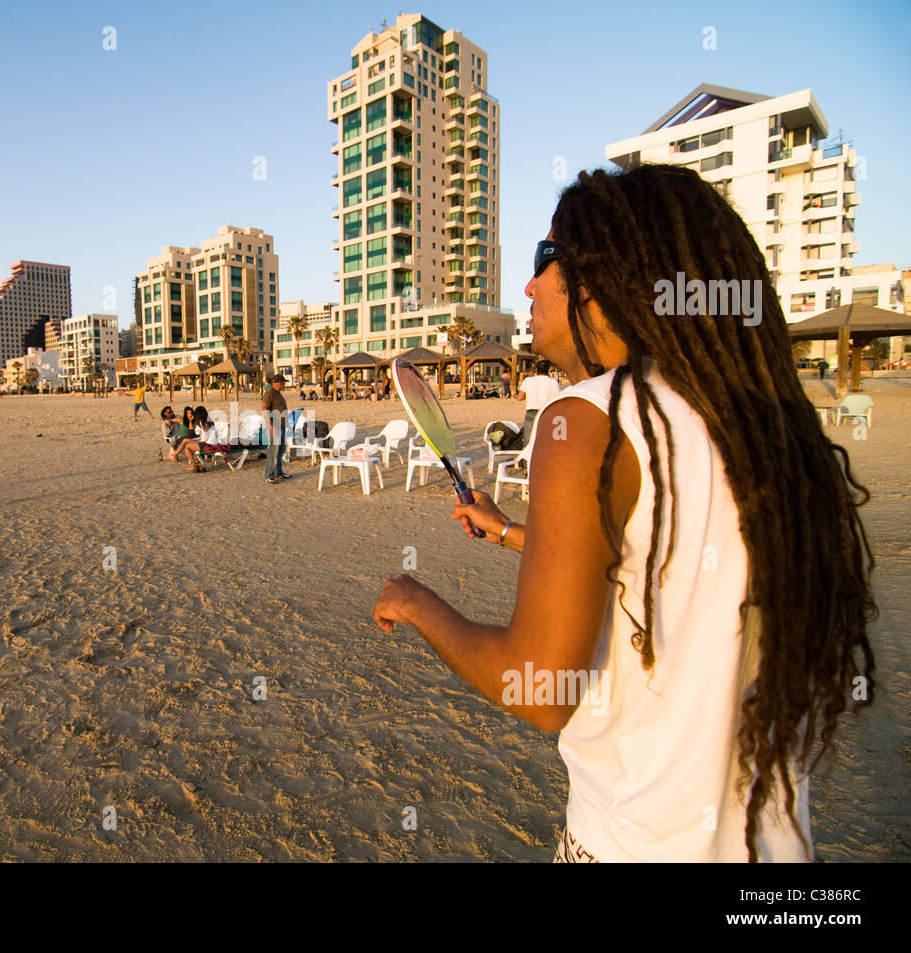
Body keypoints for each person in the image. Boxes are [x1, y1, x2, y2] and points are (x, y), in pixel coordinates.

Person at [373, 164, 874, 862]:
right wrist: (514, 531)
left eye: (546, 259)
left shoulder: (582, 419)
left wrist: (421, 604)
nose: (528, 285)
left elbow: (543, 686)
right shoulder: (765, 429)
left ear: (604, 276)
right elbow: (668, 572)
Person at [507, 359, 561, 451]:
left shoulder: (528, 380)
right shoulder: (553, 382)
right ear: (548, 369)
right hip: (546, 412)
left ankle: (526, 464)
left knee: (528, 441)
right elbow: (557, 400)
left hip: (531, 411)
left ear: (536, 369)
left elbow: (520, 397)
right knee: (546, 440)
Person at [261, 373, 290, 484]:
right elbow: (264, 409)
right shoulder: (270, 394)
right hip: (275, 427)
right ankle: (269, 475)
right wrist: (271, 426)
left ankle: (278, 472)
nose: (284, 385)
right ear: (279, 383)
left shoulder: (278, 393)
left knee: (281, 450)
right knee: (273, 451)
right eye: (283, 383)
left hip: (281, 426)